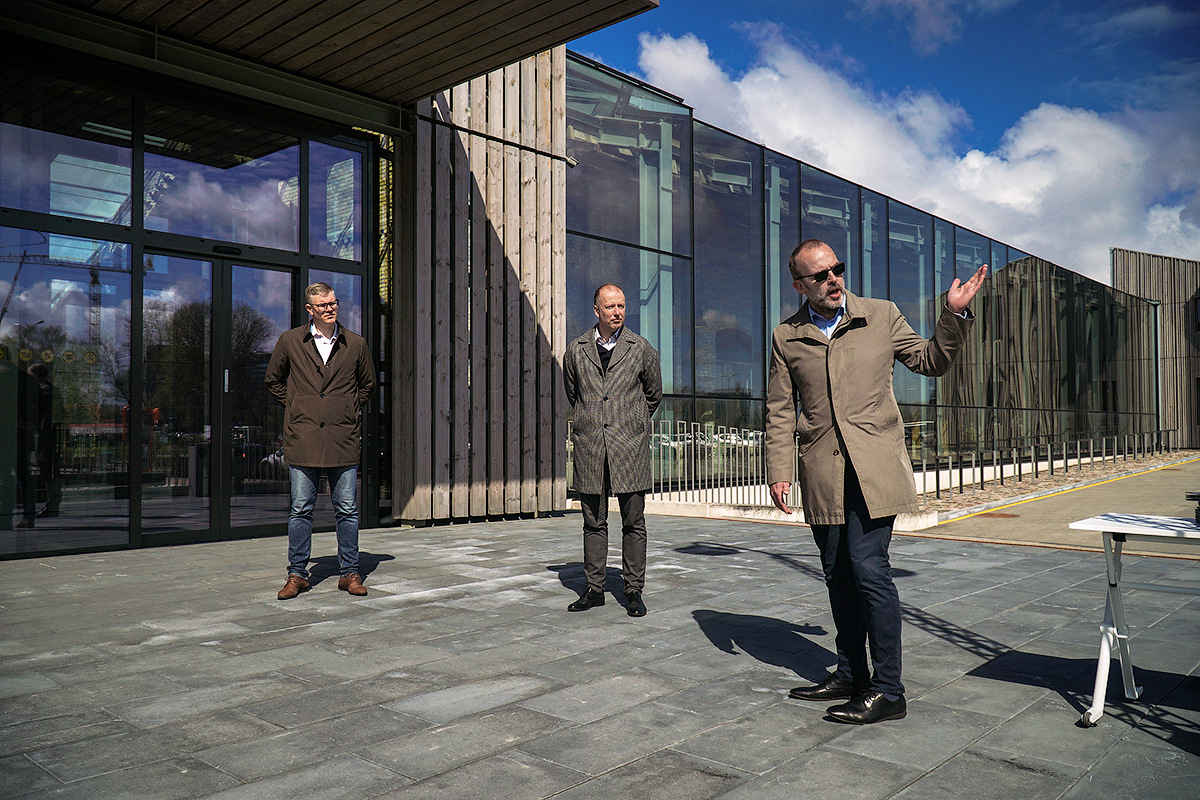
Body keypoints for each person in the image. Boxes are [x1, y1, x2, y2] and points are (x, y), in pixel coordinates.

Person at [766, 239, 987, 724]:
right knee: (837, 575)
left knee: (869, 571)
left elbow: (931, 361)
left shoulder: (881, 315)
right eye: (821, 275)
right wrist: (779, 471)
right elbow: (780, 410)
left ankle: (888, 690)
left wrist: (953, 315)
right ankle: (851, 674)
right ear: (800, 285)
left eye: (837, 269)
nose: (833, 280)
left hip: (873, 469)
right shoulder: (787, 336)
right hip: (822, 470)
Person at [266, 282, 376, 600]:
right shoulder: (290, 341)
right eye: (323, 305)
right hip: (303, 437)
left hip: (342, 438)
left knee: (347, 510)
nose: (330, 308)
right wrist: (296, 405)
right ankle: (297, 575)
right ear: (310, 309)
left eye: (333, 303)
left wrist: (348, 408)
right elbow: (273, 379)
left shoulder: (356, 344)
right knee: (301, 509)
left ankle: (350, 573)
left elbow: (367, 385)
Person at [563, 284, 662, 616]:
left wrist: (631, 423)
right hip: (591, 448)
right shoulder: (576, 350)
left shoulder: (641, 348)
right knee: (593, 522)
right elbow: (574, 395)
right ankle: (594, 589)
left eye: (621, 305)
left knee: (633, 522)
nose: (617, 312)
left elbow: (653, 395)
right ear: (597, 311)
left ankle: (633, 590)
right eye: (610, 307)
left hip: (629, 448)